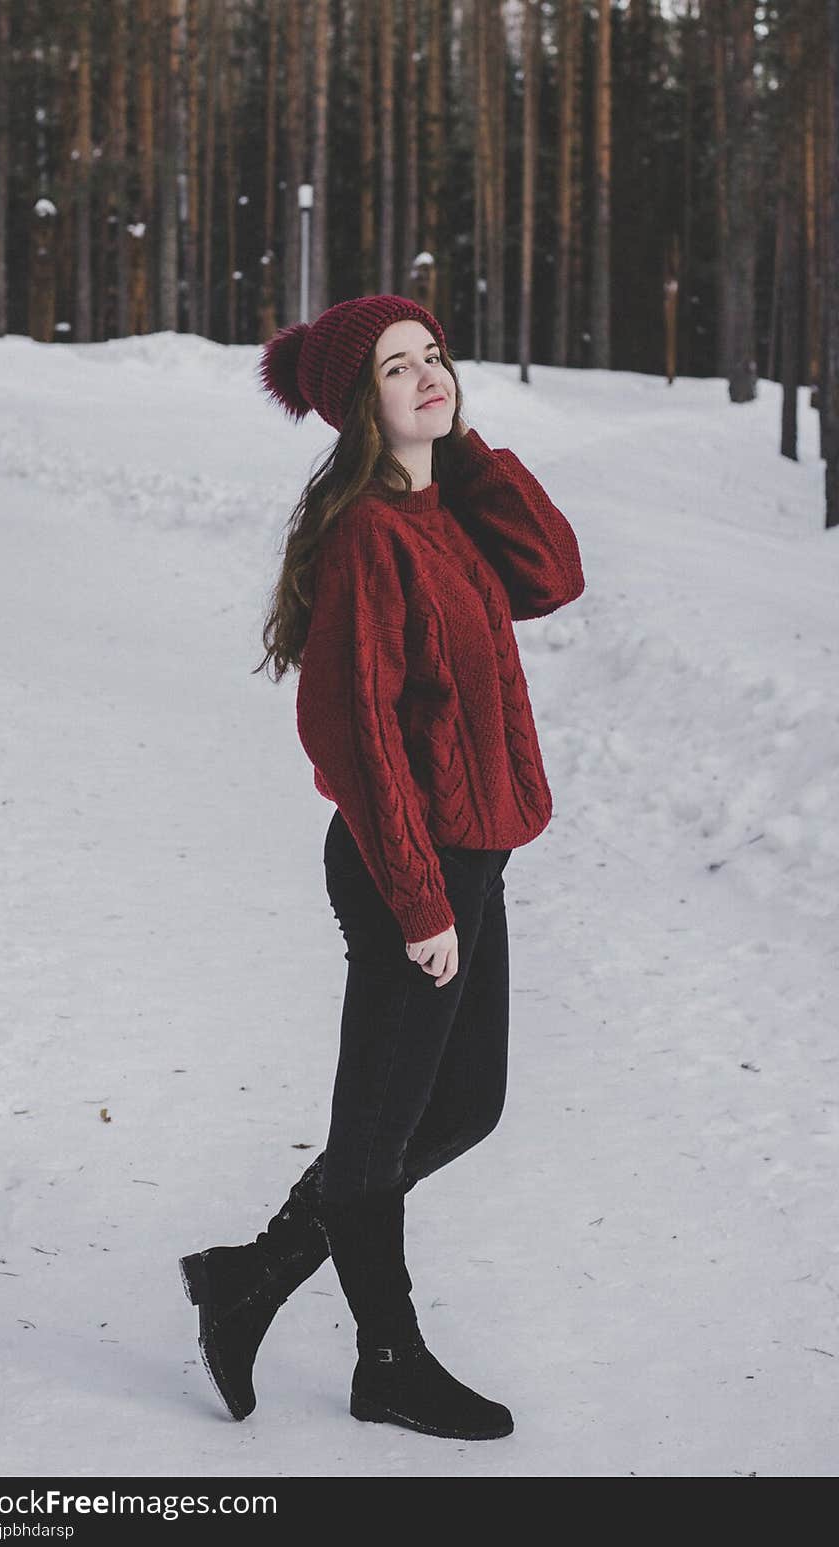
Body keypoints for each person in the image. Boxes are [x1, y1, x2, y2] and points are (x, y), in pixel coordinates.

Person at [179, 294, 585, 1442]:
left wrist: (467, 449)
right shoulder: (367, 533)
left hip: (473, 850)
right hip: (406, 862)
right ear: (357, 403)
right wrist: (417, 899)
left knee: (462, 1107)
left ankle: (250, 1275)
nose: (425, 375)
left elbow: (552, 575)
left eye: (433, 356)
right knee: (381, 1131)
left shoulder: (443, 507)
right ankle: (388, 1359)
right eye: (396, 368)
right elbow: (353, 734)